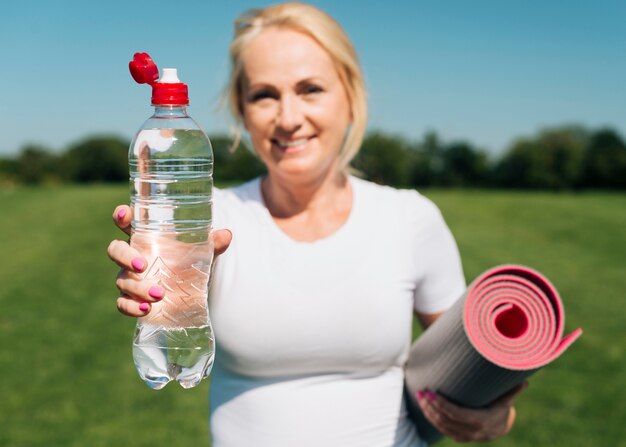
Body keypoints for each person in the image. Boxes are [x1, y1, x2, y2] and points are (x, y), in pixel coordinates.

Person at [108, 3, 526, 446]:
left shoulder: (410, 220)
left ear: (350, 97)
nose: (288, 118)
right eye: (265, 95)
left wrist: (496, 417)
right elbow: (168, 301)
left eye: (310, 89)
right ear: (242, 111)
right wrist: (152, 283)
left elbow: (462, 370)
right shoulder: (215, 219)